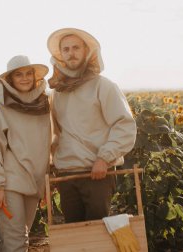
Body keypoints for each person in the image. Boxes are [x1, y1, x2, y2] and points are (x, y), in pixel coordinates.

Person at [47, 28, 137, 223]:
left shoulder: (103, 86)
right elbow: (55, 133)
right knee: (76, 233)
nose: (71, 53)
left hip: (96, 171)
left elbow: (124, 125)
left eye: (76, 48)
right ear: (60, 55)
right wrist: (52, 165)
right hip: (67, 174)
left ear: (86, 51)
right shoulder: (58, 92)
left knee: (98, 232)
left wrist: (104, 158)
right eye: (66, 49)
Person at [0, 55, 51, 252]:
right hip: (10, 183)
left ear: (35, 77)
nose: (25, 78)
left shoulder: (45, 105)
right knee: (17, 241)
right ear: (10, 79)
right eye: (19, 75)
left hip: (34, 181)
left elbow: (49, 143)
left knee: (11, 240)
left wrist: (47, 180)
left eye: (28, 74)